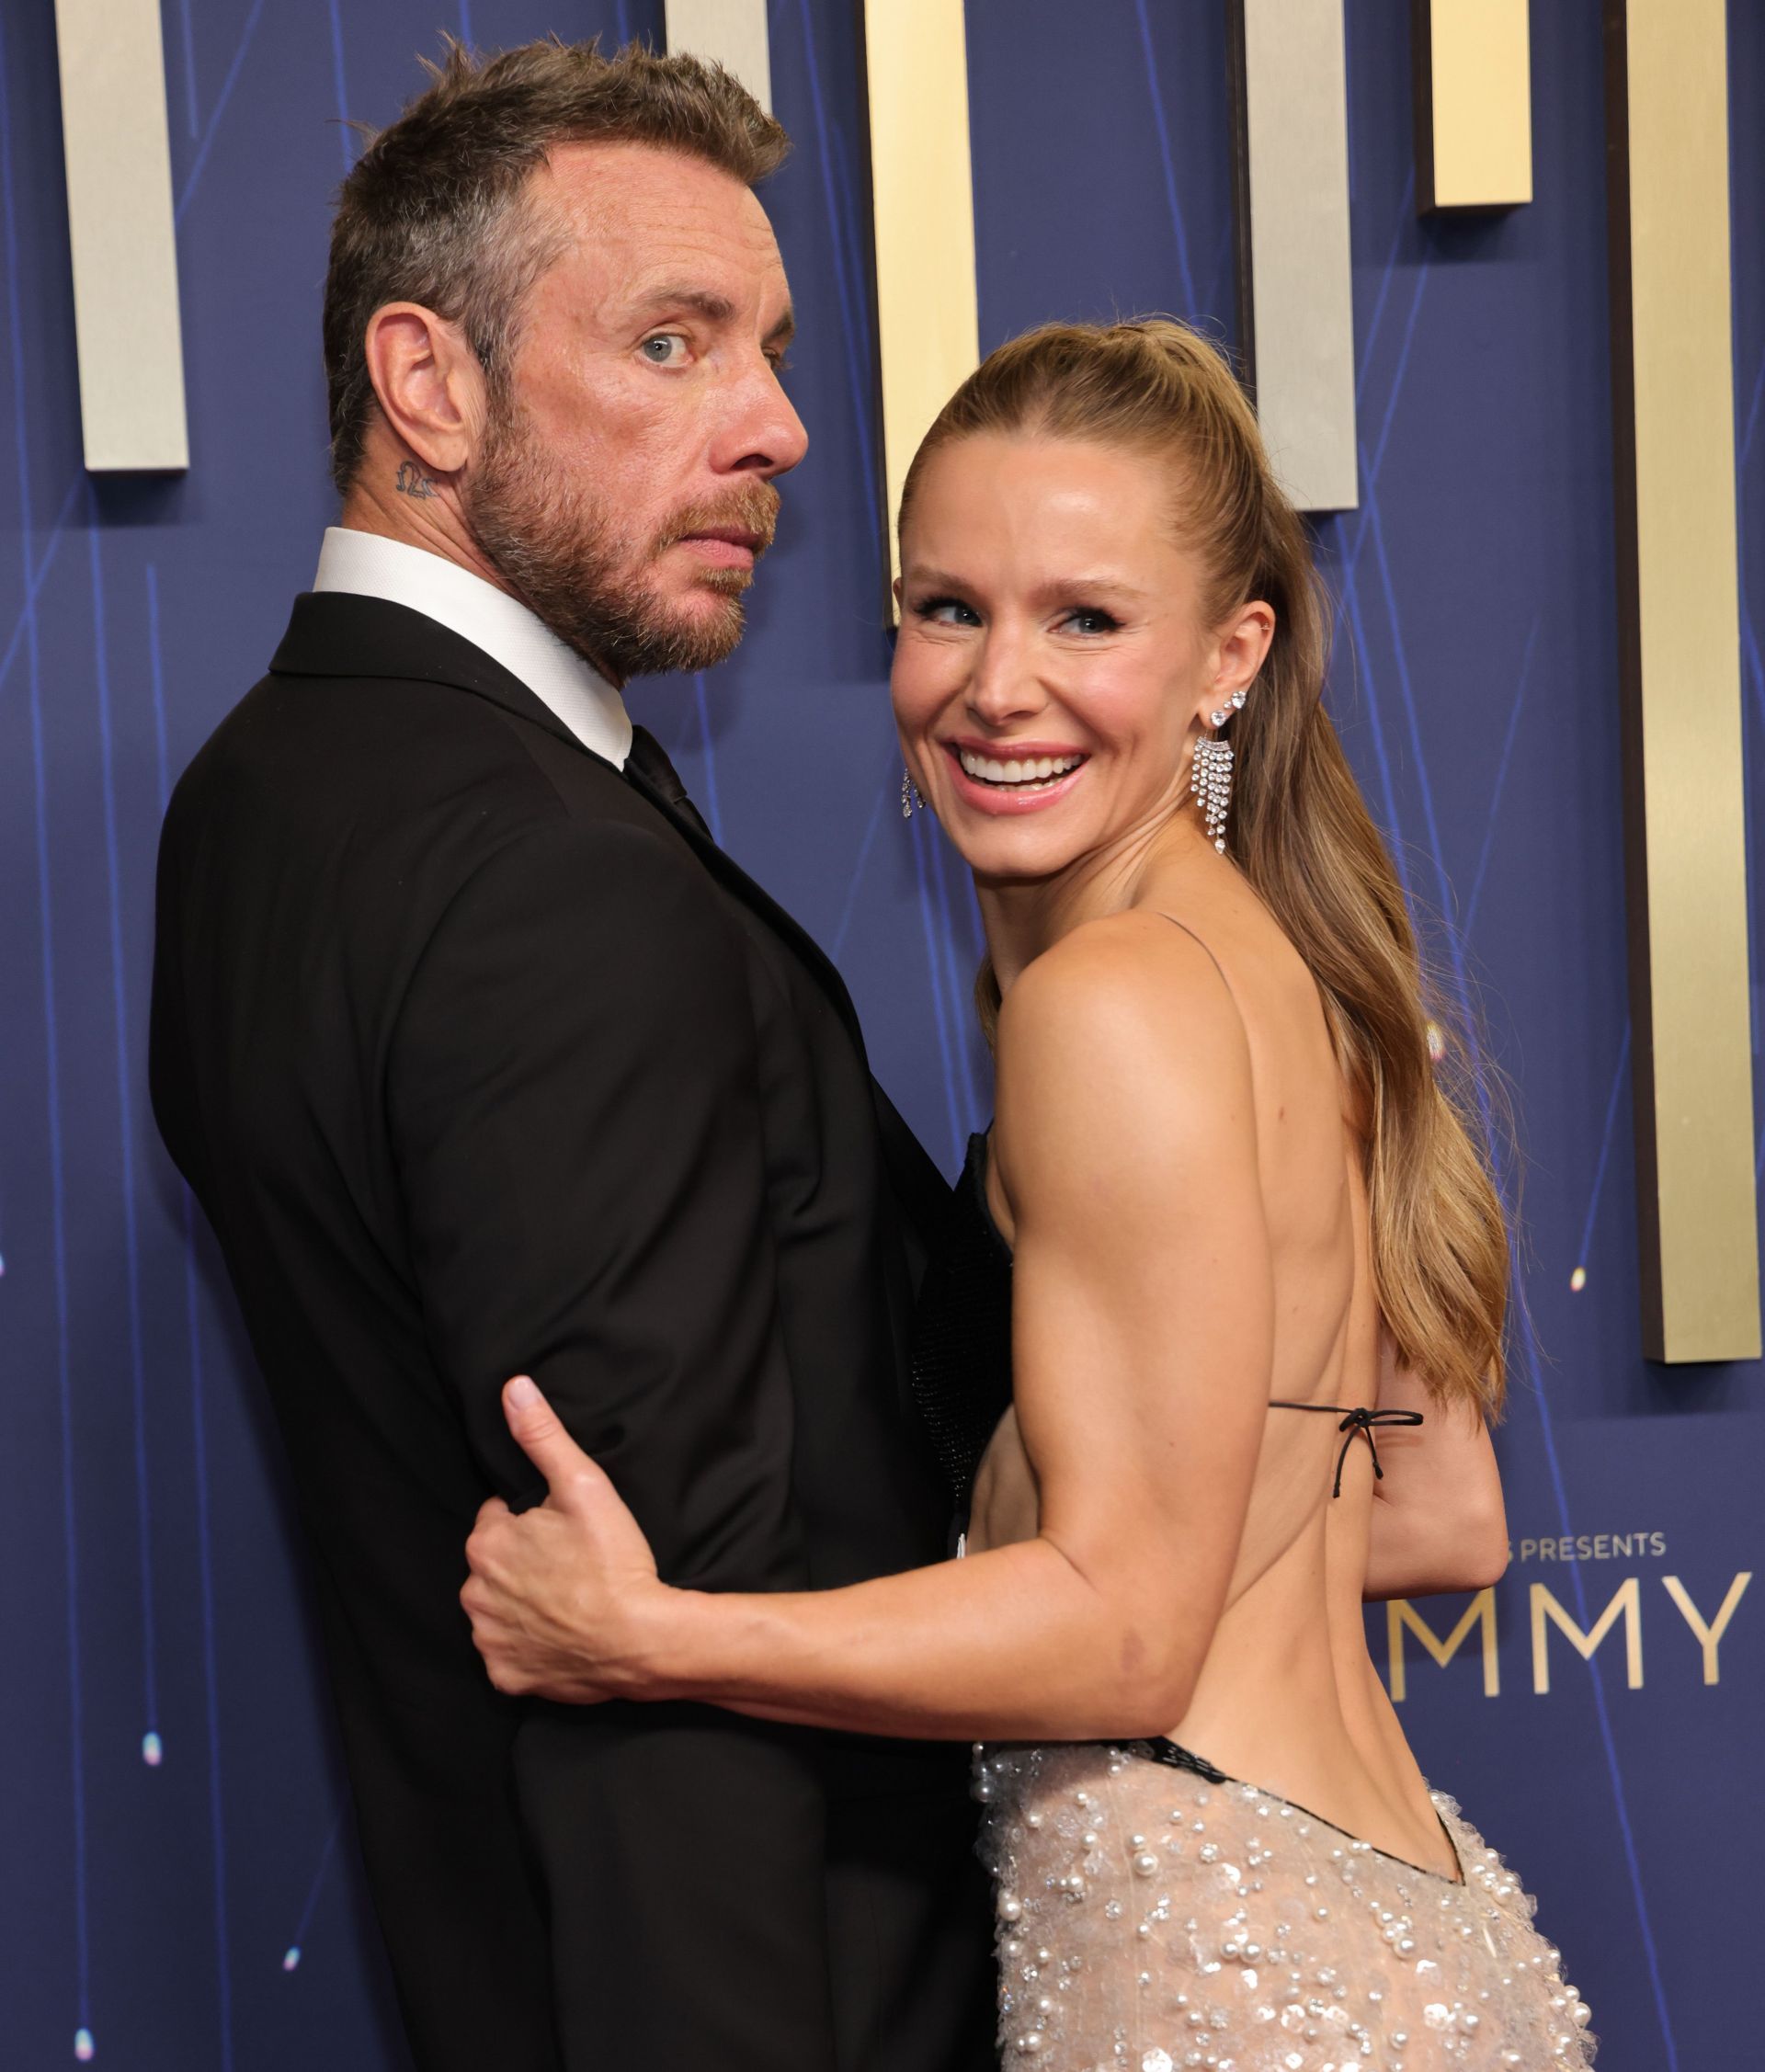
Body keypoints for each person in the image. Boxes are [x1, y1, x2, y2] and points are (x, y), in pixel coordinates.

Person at [461, 320, 1597, 2070]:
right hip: (1404, 1936)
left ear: (1232, 656)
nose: (998, 686)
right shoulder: (1309, 973)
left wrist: (652, 1633)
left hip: (1222, 1981)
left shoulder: (1110, 1004)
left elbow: (1129, 1635)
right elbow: (1445, 1515)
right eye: (946, 607)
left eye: (1086, 619)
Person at [149, 40, 997, 2072]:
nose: (782, 425)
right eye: (675, 341)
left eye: (770, 348)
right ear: (427, 384)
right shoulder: (549, 872)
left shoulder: (262, 789)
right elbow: (654, 1647)